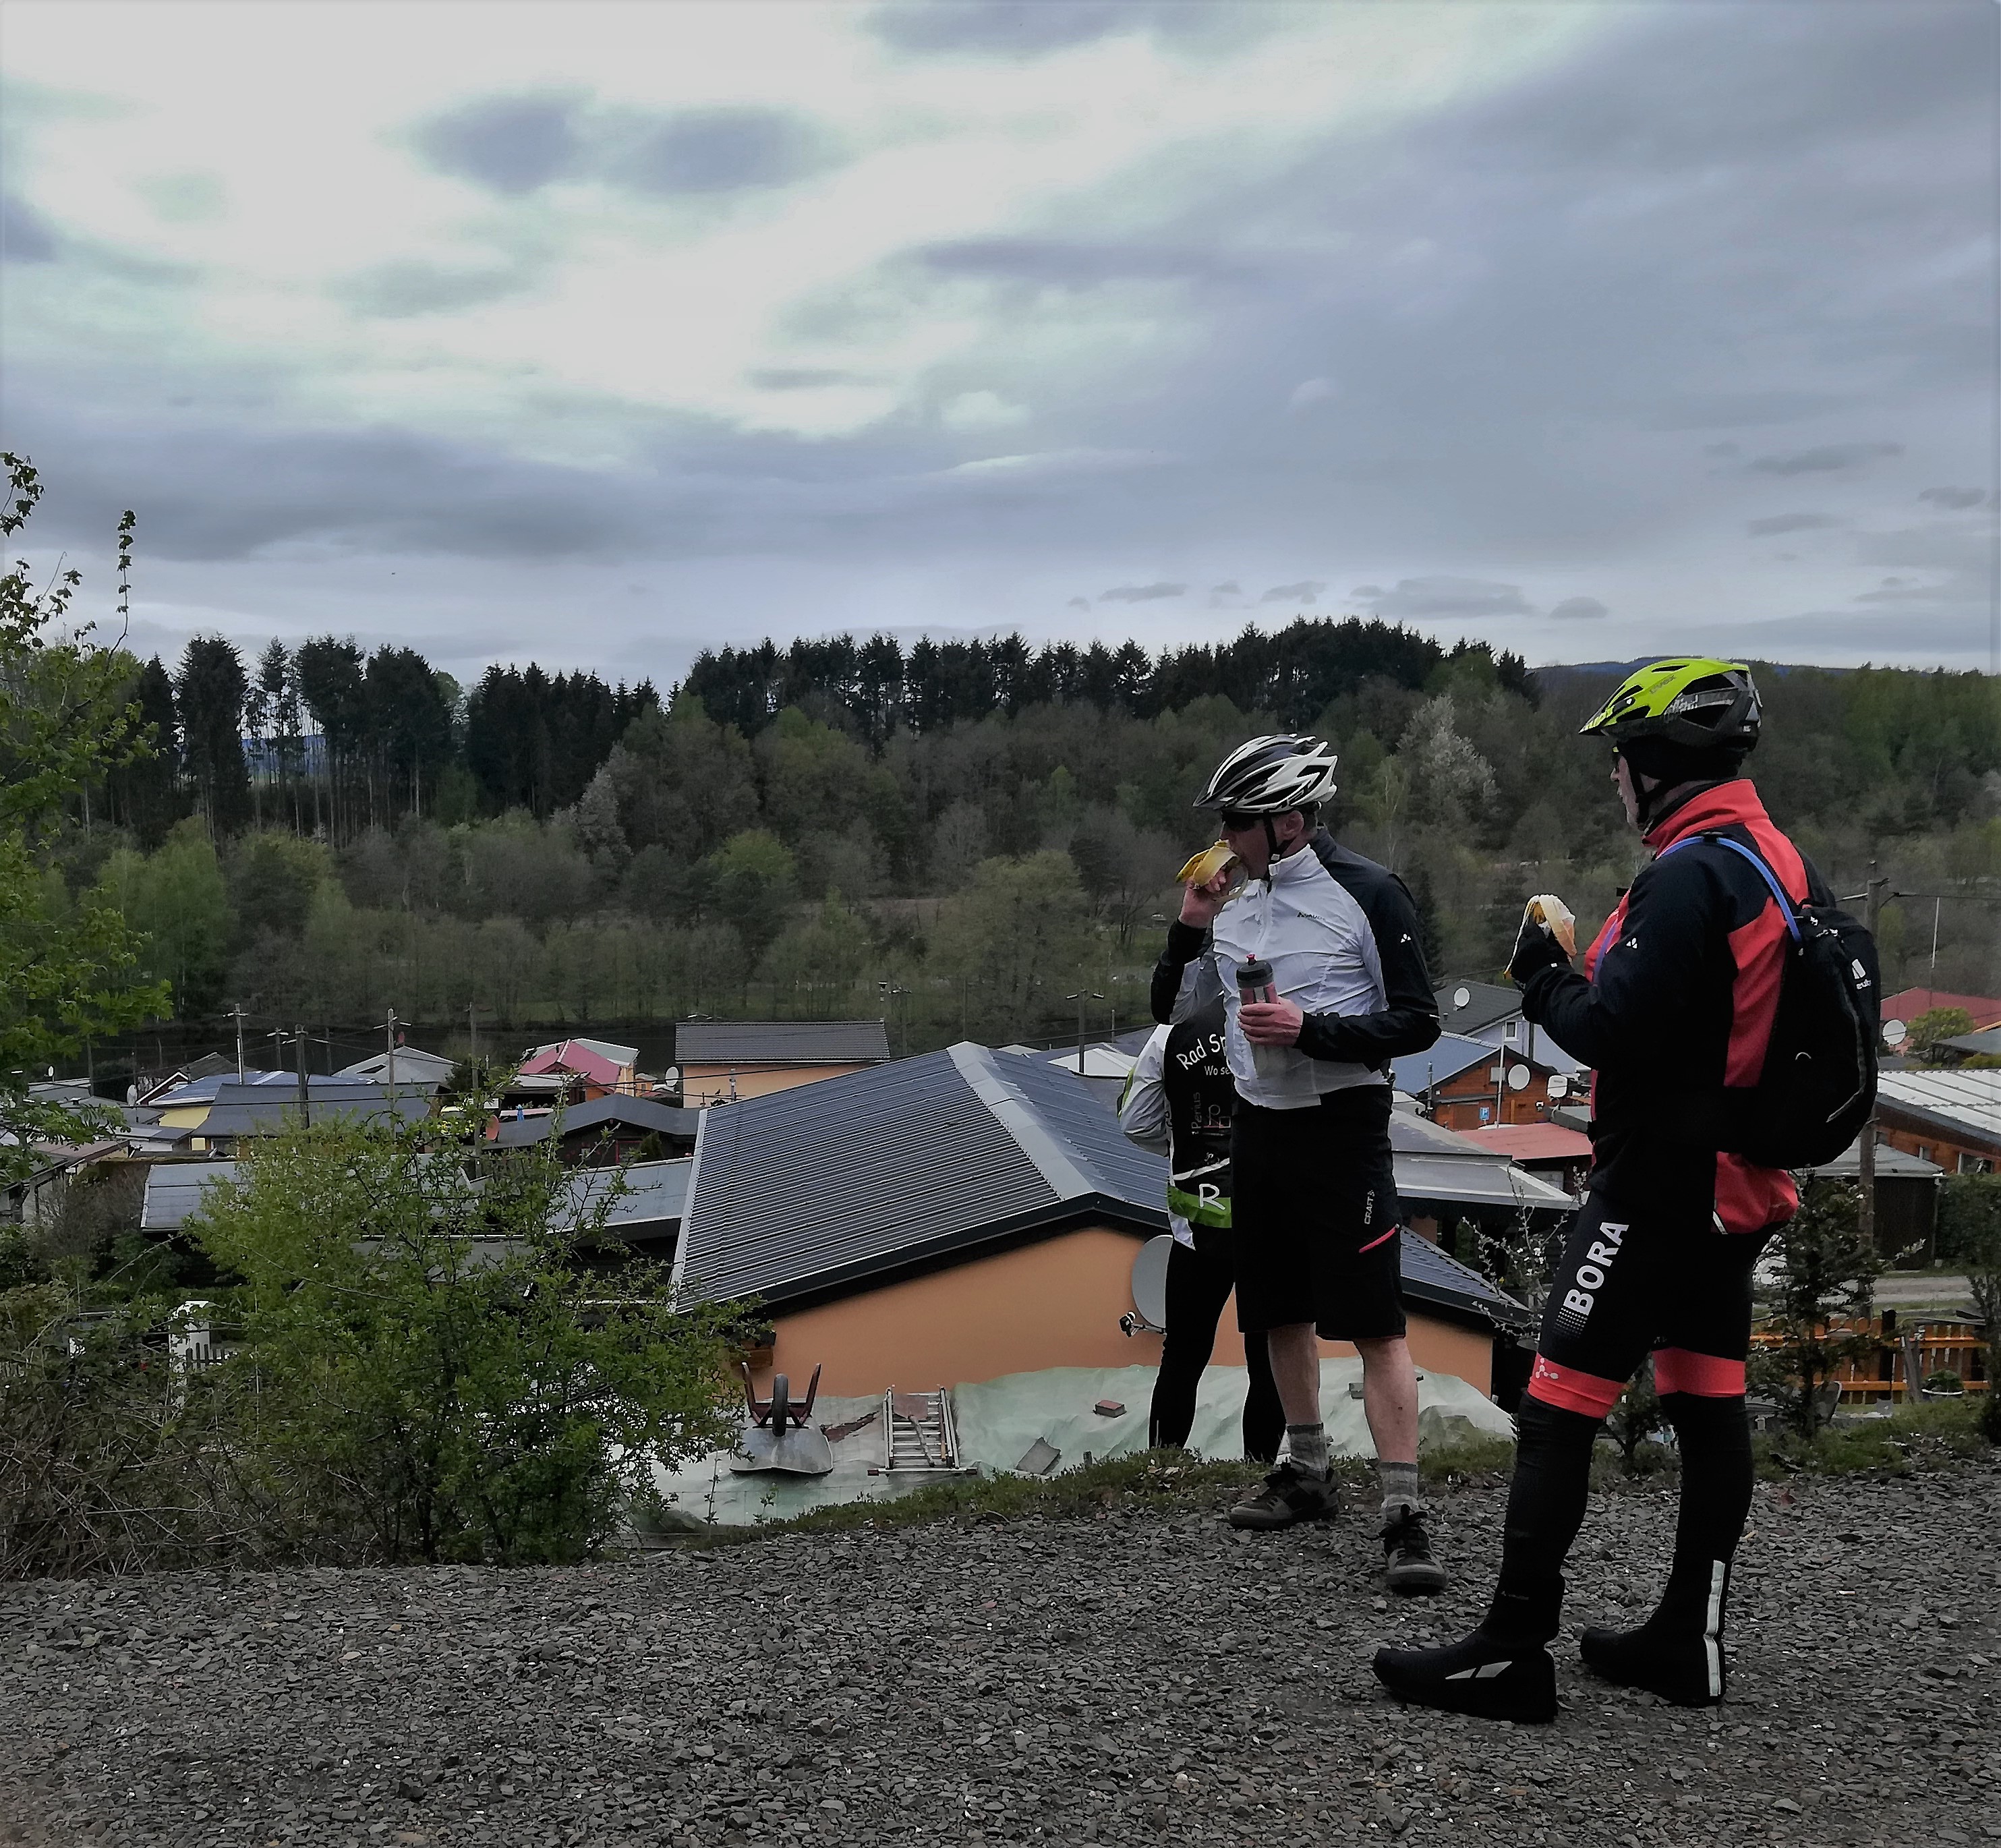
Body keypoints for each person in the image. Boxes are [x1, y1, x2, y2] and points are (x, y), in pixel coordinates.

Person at [1374, 658, 1807, 1722]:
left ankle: (1510, 1652)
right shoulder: (1771, 857)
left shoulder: (1686, 877)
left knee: (1555, 1405)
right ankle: (1687, 1641)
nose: (1613, 778)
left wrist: (1540, 977)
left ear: (1654, 762)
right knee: (1705, 1404)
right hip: (1737, 1183)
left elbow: (1612, 1028)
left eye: (1618, 758)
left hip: (1658, 1183)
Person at [1152, 733, 1447, 1594]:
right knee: (1277, 1312)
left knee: (1375, 1324)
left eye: (1238, 822)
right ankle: (1308, 1469)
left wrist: (1309, 1030)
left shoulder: (1370, 892)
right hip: (1260, 1128)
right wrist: (1190, 924)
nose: (1225, 838)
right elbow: (1168, 1009)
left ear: (1288, 820)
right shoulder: (1236, 904)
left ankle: (1404, 1512)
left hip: (1343, 1128)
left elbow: (1419, 1021)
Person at [1118, 996, 1285, 1464]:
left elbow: (1135, 1121)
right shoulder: (1286, 1018)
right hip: (1273, 1221)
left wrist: (1181, 1146)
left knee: (1182, 1356)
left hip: (1199, 1222)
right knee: (1271, 1360)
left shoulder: (1170, 1032)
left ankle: (1162, 1466)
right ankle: (1260, 1472)